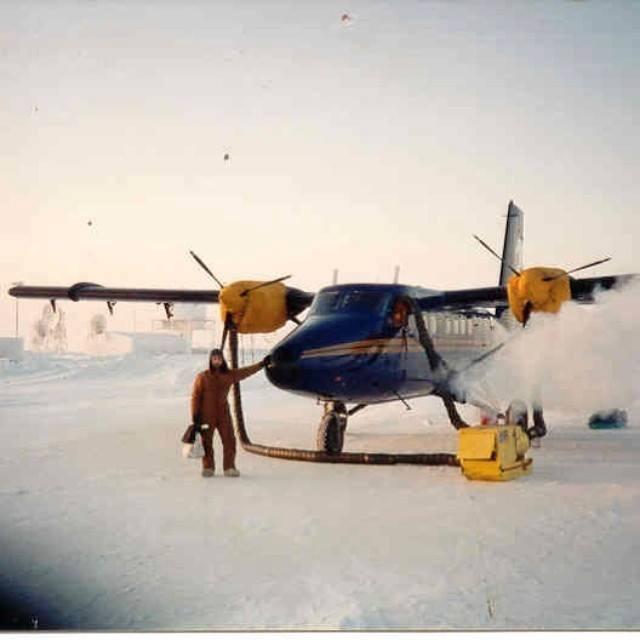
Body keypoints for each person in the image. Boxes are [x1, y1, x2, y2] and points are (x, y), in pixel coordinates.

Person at [191, 348, 269, 477]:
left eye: (219, 359)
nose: (217, 361)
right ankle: (208, 467)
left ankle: (229, 467)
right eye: (214, 359)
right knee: (206, 442)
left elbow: (245, 372)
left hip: (223, 415)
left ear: (222, 360)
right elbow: (195, 397)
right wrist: (195, 415)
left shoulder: (228, 375)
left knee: (229, 440)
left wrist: (261, 364)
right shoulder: (203, 377)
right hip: (206, 416)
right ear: (210, 360)